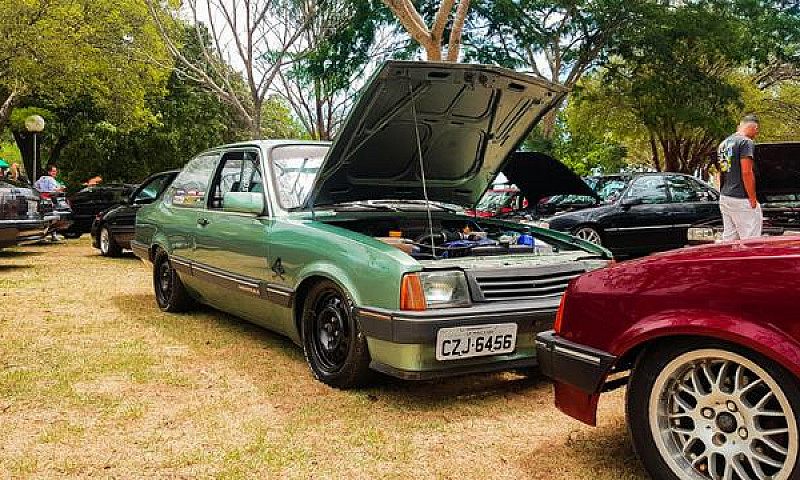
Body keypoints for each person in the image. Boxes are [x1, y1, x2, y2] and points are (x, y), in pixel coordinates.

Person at [717, 115, 761, 241]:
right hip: (741, 199)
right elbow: (747, 172)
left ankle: (728, 261)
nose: (756, 134)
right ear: (755, 128)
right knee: (750, 241)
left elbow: (723, 171)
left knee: (730, 240)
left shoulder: (723, 143)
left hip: (725, 197)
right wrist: (752, 199)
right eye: (757, 131)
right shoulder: (745, 142)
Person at [34, 164, 66, 241]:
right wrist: (61, 189)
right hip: (50, 201)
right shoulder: (51, 180)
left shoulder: (40, 179)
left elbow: (35, 187)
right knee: (53, 217)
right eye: (53, 171)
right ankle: (52, 235)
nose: (55, 173)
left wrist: (40, 193)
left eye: (55, 171)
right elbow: (53, 191)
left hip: (41, 201)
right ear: (49, 172)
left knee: (44, 218)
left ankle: (43, 236)